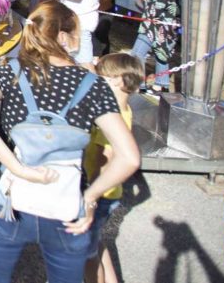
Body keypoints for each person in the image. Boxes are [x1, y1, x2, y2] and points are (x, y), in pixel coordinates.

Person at [0, 0, 140, 283]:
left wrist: (17, 167)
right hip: (66, 202)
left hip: (7, 195)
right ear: (61, 36)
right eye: (76, 33)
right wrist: (91, 197)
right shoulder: (92, 84)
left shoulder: (12, 71)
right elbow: (129, 157)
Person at [83, 53, 141, 283]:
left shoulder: (109, 117)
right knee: (97, 242)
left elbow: (102, 158)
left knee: (87, 254)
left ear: (118, 80)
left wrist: (90, 193)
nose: (98, 80)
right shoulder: (125, 109)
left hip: (99, 192)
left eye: (103, 77)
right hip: (110, 193)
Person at [131, 0, 181, 90]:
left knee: (137, 53)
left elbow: (160, 3)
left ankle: (139, 84)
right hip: (161, 24)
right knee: (161, 54)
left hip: (156, 25)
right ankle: (162, 84)